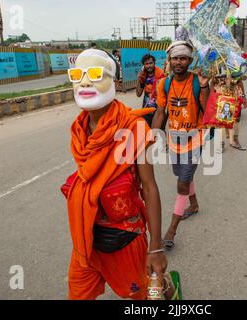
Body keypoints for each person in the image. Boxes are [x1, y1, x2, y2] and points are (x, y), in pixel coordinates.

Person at [65, 49, 180, 300]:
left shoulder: (134, 127)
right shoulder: (78, 129)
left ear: (114, 83)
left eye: (95, 74)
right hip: (86, 237)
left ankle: (168, 288)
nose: (85, 81)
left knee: (145, 298)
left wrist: (156, 247)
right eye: (77, 75)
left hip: (124, 237)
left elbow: (149, 187)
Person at [152, 41, 210, 250]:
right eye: (175, 58)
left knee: (182, 184)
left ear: (189, 60)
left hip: (195, 141)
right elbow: (160, 112)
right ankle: (193, 205)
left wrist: (204, 86)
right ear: (170, 60)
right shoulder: (164, 84)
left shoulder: (197, 81)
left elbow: (207, 108)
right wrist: (153, 136)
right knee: (183, 177)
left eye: (183, 58)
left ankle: (171, 230)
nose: (179, 62)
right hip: (174, 141)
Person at [136, 54, 166, 126]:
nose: (149, 66)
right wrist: (139, 80)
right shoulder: (143, 76)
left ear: (154, 63)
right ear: (143, 65)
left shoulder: (161, 75)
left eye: (151, 63)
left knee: (158, 133)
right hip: (146, 110)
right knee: (146, 133)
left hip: (158, 111)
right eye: (146, 64)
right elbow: (138, 94)